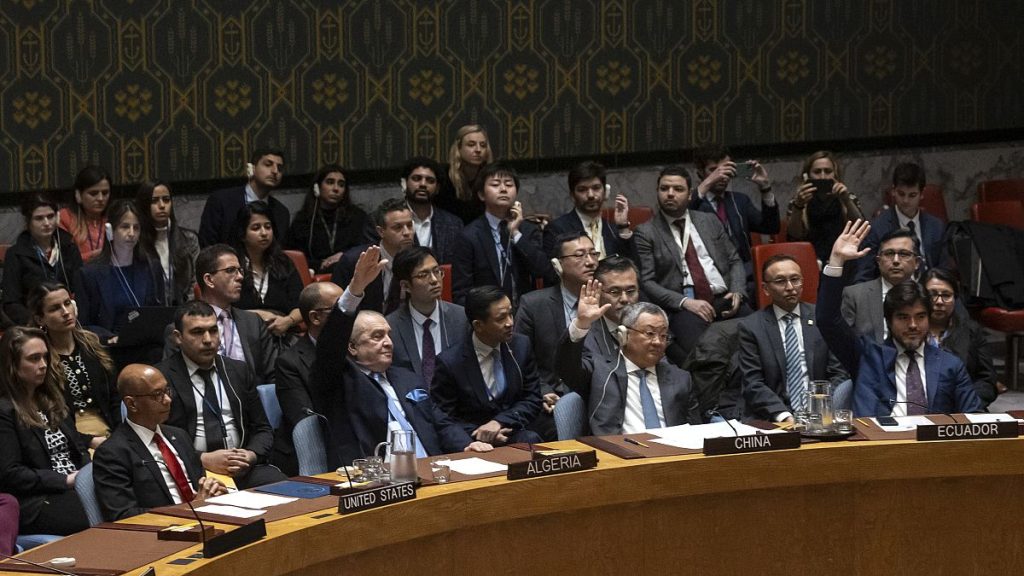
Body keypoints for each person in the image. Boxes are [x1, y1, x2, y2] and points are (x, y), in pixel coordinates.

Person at [310, 247, 490, 467]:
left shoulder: (407, 378)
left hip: (430, 468)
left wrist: (466, 445)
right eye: (377, 336)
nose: (388, 342)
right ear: (352, 347)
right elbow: (330, 346)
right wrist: (355, 290)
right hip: (376, 472)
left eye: (388, 335)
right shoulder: (339, 381)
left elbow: (439, 421)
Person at [817, 220, 981, 417]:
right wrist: (836, 261)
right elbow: (827, 320)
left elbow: (974, 417)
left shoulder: (950, 364)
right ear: (889, 321)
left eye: (920, 317)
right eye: (903, 317)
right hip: (878, 436)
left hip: (931, 436)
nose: (913, 325)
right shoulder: (868, 357)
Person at [156, 301, 285, 489]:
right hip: (192, 471)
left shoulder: (238, 371)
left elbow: (262, 428)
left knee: (285, 489)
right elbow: (157, 439)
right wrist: (202, 459)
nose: (208, 339)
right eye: (197, 332)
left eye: (213, 330)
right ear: (178, 337)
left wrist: (250, 455)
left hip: (242, 468)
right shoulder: (161, 378)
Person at [633, 165, 750, 361]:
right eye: (664, 188)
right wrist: (685, 302)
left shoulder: (709, 221)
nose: (670, 194)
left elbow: (734, 259)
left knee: (756, 339)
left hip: (724, 297)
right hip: (684, 306)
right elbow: (647, 282)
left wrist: (738, 290)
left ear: (690, 195)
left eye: (678, 189)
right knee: (706, 356)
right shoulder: (646, 232)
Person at [92, 364, 226, 522]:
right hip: (166, 529)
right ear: (132, 404)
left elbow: (199, 487)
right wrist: (190, 510)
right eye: (157, 395)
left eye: (167, 391)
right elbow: (123, 515)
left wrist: (212, 490)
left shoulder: (179, 436)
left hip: (208, 518)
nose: (168, 400)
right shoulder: (112, 453)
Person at [557, 290, 702, 435]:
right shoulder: (599, 370)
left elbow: (697, 432)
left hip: (671, 447)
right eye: (650, 333)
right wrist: (581, 324)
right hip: (617, 448)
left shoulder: (681, 378)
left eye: (663, 336)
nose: (658, 342)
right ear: (623, 335)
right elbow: (565, 367)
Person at [0, 327, 90, 536]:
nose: (43, 365)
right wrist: (64, 480)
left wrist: (88, 475)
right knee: (95, 514)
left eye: (45, 357)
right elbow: (10, 473)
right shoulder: (5, 411)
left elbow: (79, 449)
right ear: (12, 364)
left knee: (126, 497)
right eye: (34, 359)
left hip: (76, 485)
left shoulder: (53, 400)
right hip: (38, 499)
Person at [738, 255, 848, 422]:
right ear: (766, 288)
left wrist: (820, 408)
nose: (790, 287)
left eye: (795, 279)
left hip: (821, 413)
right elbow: (753, 383)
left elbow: (838, 373)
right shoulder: (751, 327)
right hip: (773, 417)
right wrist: (785, 416)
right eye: (780, 281)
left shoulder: (822, 318)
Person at [430, 286, 543, 445]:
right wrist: (481, 434)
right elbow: (445, 417)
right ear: (478, 325)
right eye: (501, 318)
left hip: (513, 429)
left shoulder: (521, 346)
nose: (510, 323)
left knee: (531, 439)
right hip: (472, 439)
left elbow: (533, 398)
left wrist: (499, 422)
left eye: (511, 314)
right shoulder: (450, 362)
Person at [515, 232, 598, 436]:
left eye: (593, 254)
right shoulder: (533, 304)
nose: (590, 262)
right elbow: (519, 359)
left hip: (600, 395)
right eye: (579, 255)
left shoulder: (608, 301)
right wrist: (543, 391)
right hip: (551, 397)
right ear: (558, 264)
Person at [451, 162, 555, 308]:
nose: (503, 189)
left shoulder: (528, 230)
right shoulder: (469, 235)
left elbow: (544, 271)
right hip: (486, 313)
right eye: (495, 184)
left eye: (509, 184)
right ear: (481, 194)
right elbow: (461, 292)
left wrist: (516, 233)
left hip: (524, 313)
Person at [172, 244, 277, 385]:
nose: (240, 277)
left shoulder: (253, 323)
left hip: (250, 396)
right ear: (209, 280)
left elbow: (274, 375)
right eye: (230, 270)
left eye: (240, 270)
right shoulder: (182, 328)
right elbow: (173, 380)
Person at [28, 283, 119, 443]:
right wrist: (88, 441)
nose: (65, 312)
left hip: (109, 429)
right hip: (68, 438)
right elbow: (47, 414)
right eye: (55, 308)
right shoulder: (41, 359)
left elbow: (114, 397)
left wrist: (121, 433)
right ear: (40, 319)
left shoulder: (93, 346)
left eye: (67, 303)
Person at [273, 281, 344, 475]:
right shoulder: (289, 363)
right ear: (315, 317)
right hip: (315, 451)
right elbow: (306, 421)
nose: (348, 314)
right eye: (339, 308)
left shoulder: (355, 349)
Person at [689, 145, 779, 293]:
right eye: (714, 170)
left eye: (726, 169)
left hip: (745, 274)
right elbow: (681, 213)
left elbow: (771, 227)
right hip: (709, 277)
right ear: (700, 173)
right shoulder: (693, 202)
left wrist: (765, 188)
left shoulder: (740, 200)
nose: (721, 175)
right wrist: (708, 183)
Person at [73, 200, 165, 344]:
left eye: (136, 228)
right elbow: (83, 324)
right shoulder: (89, 274)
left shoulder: (151, 268)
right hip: (108, 347)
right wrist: (108, 338)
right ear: (110, 231)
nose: (132, 233)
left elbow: (160, 313)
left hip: (146, 345)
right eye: (125, 227)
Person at [386, 247, 467, 385]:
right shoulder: (390, 327)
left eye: (437, 271)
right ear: (405, 286)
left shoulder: (462, 318)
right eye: (423, 275)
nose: (434, 280)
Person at [855, 162, 947, 282]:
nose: (905, 200)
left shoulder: (936, 226)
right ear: (893, 191)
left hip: (930, 289)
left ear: (922, 194)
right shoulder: (877, 228)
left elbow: (945, 270)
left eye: (912, 195)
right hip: (894, 289)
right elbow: (865, 274)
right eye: (901, 194)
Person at [2, 192, 83, 327]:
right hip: (35, 325)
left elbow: (82, 290)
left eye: (50, 216)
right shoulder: (16, 254)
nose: (46, 223)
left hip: (70, 319)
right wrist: (38, 322)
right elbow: (11, 302)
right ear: (28, 222)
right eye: (39, 218)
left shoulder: (69, 248)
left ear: (57, 217)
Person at [922, 268, 1000, 406]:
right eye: (932, 294)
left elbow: (987, 379)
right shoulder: (910, 331)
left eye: (946, 295)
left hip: (965, 405)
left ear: (955, 299)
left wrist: (969, 401)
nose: (939, 301)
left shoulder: (971, 330)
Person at [330, 197, 415, 315]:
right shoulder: (353, 261)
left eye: (410, 225)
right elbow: (336, 310)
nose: (407, 232)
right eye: (398, 227)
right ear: (381, 231)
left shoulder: (418, 261)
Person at [231, 201, 303, 337]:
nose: (264, 233)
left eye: (268, 227)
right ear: (242, 234)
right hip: (243, 335)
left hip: (284, 333)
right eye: (256, 228)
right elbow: (222, 308)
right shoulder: (231, 265)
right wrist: (256, 315)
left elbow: (301, 305)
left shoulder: (284, 262)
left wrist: (288, 321)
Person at [285, 164, 371, 273]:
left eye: (341, 184)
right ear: (317, 188)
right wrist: (321, 264)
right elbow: (294, 256)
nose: (336, 189)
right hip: (314, 274)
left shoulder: (357, 216)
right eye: (330, 182)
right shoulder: (303, 220)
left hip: (349, 272)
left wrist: (344, 255)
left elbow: (367, 247)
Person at [786, 150, 864, 267]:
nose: (823, 176)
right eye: (817, 172)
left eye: (828, 171)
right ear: (807, 175)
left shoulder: (847, 197)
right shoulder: (798, 200)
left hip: (843, 259)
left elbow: (860, 228)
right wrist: (798, 205)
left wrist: (846, 200)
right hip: (810, 259)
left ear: (835, 174)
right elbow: (794, 235)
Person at [542, 160, 633, 260]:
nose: (590, 195)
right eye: (582, 190)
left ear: (605, 192)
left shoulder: (613, 230)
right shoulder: (557, 229)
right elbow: (552, 268)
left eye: (596, 188)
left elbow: (633, 266)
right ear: (572, 195)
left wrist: (623, 226)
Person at [842, 228, 921, 342]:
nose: (896, 260)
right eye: (889, 254)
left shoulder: (927, 296)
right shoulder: (855, 295)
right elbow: (841, 342)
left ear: (917, 262)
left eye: (904, 254)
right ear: (878, 261)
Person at [199, 148, 289, 247]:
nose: (275, 171)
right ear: (252, 168)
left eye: (280, 168)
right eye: (268, 165)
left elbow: (278, 251)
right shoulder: (221, 201)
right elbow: (207, 246)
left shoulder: (281, 213)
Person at [135, 180, 200, 306]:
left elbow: (196, 281)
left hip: (185, 309)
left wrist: (188, 310)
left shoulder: (189, 239)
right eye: (154, 201)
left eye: (166, 200)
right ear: (144, 205)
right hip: (149, 310)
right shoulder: (136, 242)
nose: (162, 205)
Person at [401, 156, 464, 265]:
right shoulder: (386, 220)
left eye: (430, 181)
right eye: (416, 178)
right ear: (405, 183)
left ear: (437, 188)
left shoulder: (454, 224)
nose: (423, 184)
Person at [581, 255, 642, 358]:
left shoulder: (647, 324)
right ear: (597, 293)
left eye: (630, 291)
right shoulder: (585, 335)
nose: (624, 299)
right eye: (615, 292)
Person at [436, 124, 493, 223]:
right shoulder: (443, 176)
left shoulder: (491, 177)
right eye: (471, 145)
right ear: (459, 148)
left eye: (483, 145)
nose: (478, 150)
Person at [59, 165, 112, 261]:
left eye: (105, 193)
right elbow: (63, 259)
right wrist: (95, 256)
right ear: (78, 195)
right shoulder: (65, 217)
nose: (100, 198)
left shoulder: (114, 217)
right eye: (93, 193)